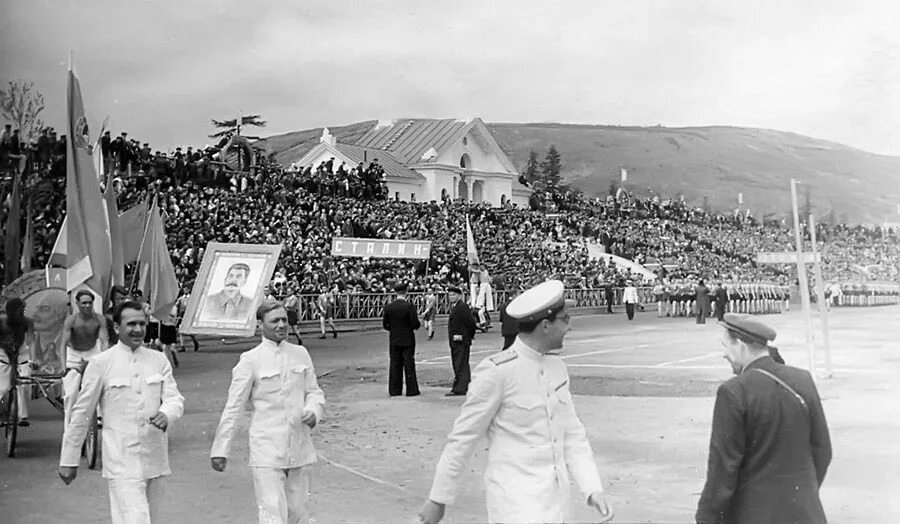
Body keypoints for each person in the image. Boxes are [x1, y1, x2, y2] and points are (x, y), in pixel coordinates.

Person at [418, 280, 613, 524]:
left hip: (557, 507)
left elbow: (572, 434)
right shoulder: (497, 372)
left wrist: (592, 489)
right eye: (565, 319)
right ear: (545, 326)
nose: (569, 327)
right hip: (515, 508)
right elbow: (462, 438)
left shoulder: (557, 368)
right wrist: (438, 499)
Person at [696, 313, 831, 524]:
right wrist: (802, 493)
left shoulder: (733, 392)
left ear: (740, 344)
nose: (725, 355)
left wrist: (706, 518)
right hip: (805, 514)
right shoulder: (803, 379)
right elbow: (823, 450)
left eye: (726, 346)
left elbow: (723, 469)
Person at [58, 300, 185, 524]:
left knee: (150, 519)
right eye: (131, 324)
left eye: (142, 324)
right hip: (121, 459)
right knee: (136, 519)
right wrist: (69, 458)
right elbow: (82, 412)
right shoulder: (101, 363)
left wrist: (167, 413)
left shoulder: (158, 360)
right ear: (117, 328)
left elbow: (174, 398)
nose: (138, 329)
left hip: (155, 457)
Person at [210, 300, 325, 524]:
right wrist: (220, 449)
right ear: (260, 324)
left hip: (299, 445)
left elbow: (314, 392)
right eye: (275, 321)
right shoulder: (250, 360)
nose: (282, 325)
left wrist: (313, 410)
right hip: (267, 449)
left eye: (284, 320)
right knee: (271, 512)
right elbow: (234, 407)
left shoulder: (300, 353)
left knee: (299, 512)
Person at [59, 289, 109, 424]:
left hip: (92, 352)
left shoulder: (99, 319)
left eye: (90, 303)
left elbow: (104, 342)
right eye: (84, 303)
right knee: (70, 394)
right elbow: (63, 344)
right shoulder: (71, 320)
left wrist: (105, 362)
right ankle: (69, 424)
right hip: (73, 355)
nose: (87, 306)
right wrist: (63, 366)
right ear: (77, 304)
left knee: (99, 385)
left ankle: (99, 416)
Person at [382, 283, 421, 397]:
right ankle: (412, 390)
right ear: (406, 292)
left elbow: (385, 324)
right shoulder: (409, 306)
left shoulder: (389, 307)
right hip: (408, 339)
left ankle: (394, 390)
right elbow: (415, 324)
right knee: (409, 365)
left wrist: (394, 330)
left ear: (395, 293)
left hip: (394, 339)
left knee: (394, 364)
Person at [0, 298, 35, 427]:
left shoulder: (27, 322)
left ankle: (23, 416)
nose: (22, 312)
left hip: (21, 354)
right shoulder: (2, 322)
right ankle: (3, 414)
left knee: (24, 384)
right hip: (3, 354)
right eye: (20, 310)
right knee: (2, 389)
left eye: (23, 310)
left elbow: (31, 341)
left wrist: (34, 358)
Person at [445, 286, 476, 397]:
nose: (451, 297)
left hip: (461, 341)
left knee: (460, 364)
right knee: (458, 364)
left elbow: (471, 323)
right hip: (455, 341)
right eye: (450, 295)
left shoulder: (462, 307)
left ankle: (460, 388)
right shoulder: (455, 306)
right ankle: (462, 386)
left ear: (459, 295)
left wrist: (466, 336)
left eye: (453, 295)